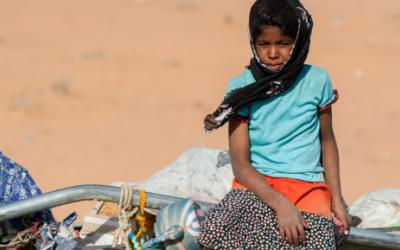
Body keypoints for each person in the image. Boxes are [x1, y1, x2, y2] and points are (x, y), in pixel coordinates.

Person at [199, 0, 350, 249]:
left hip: (308, 191)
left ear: (299, 41)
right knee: (214, 235)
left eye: (283, 44)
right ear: (252, 42)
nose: (272, 53)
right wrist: (280, 204)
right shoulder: (242, 88)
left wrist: (337, 199)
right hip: (257, 187)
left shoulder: (317, 80)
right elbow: (240, 162)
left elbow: (327, 141)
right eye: (263, 44)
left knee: (314, 240)